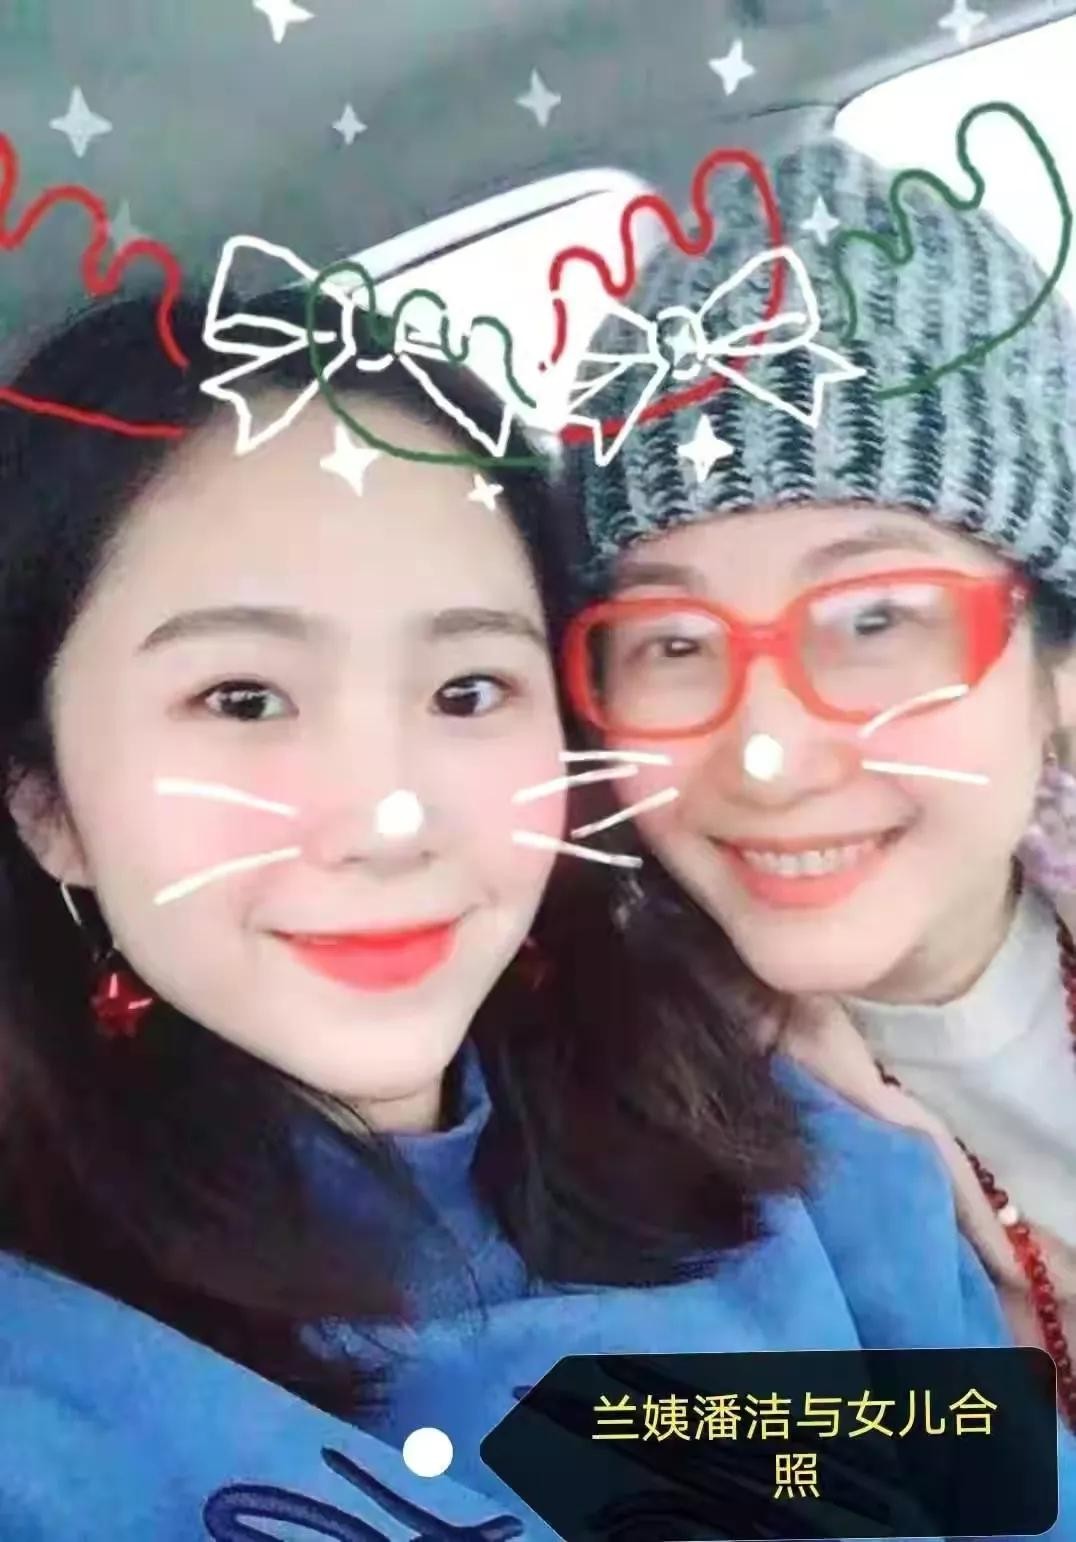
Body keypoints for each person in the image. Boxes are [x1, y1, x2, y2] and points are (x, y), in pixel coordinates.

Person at [0, 286, 1067, 1538]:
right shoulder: (53, 1390)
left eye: (466, 690)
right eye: (242, 699)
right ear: (44, 800)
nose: (392, 821)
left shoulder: (791, 1153)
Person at [557, 131, 1076, 1424]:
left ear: (1055, 666)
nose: (769, 755)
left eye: (872, 620)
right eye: (672, 642)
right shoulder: (596, 1100)